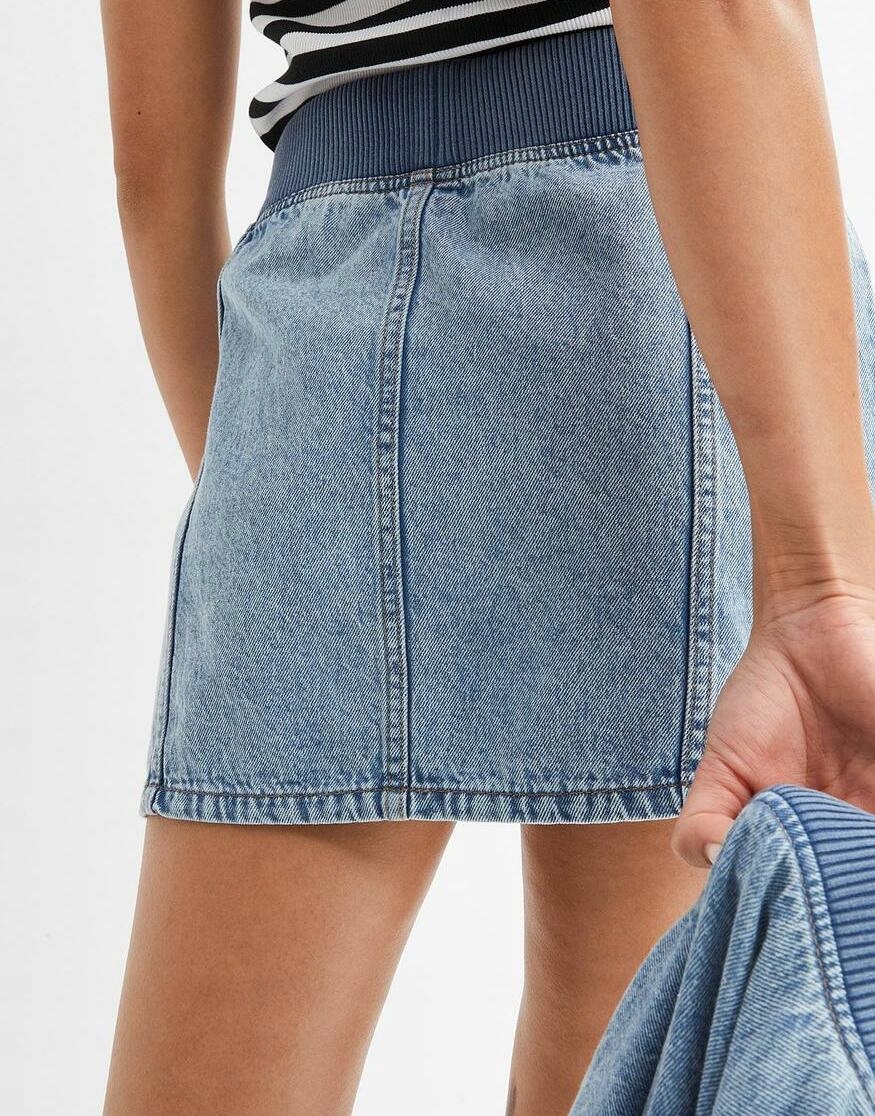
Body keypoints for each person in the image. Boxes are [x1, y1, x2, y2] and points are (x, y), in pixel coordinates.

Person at [99, 2, 875, 1114]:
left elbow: (156, 188)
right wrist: (820, 586)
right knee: (612, 1074)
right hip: (667, 272)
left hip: (330, 294)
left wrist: (276, 509)